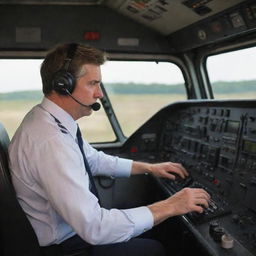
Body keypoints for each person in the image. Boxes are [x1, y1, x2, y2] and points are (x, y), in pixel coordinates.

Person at [8, 43, 210, 256]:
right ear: (62, 85)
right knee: (156, 248)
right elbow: (95, 228)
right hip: (66, 247)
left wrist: (150, 168)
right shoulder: (51, 142)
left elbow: (93, 160)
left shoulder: (49, 120)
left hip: (74, 232)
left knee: (155, 232)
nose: (100, 94)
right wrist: (170, 206)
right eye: (93, 84)